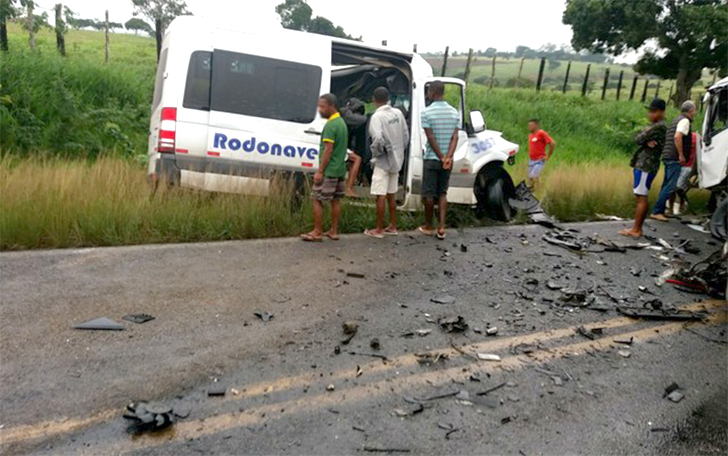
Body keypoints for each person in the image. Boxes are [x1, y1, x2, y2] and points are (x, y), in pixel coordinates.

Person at [300, 94, 348, 242]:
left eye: (322, 106)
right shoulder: (341, 123)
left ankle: (317, 231)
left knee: (316, 198)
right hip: (340, 168)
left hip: (329, 170)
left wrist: (320, 171)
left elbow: (328, 149)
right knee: (335, 200)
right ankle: (333, 231)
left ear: (331, 106)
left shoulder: (330, 126)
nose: (319, 110)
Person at [364, 87, 409, 239]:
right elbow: (405, 136)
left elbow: (377, 139)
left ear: (374, 99)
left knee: (380, 195)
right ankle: (393, 226)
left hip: (383, 161)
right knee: (392, 194)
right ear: (388, 98)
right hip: (397, 160)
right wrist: (399, 152)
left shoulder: (377, 117)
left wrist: (376, 155)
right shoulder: (398, 113)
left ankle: (378, 229)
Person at [619, 98, 667, 238]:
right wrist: (646, 139)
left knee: (641, 197)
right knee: (640, 195)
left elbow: (638, 139)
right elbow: (640, 137)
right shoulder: (658, 126)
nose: (650, 115)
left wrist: (645, 138)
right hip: (645, 164)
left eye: (654, 112)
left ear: (661, 112)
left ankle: (637, 229)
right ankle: (636, 228)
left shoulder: (659, 127)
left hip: (646, 164)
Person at [418, 81, 460, 240]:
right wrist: (448, 157)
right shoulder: (454, 112)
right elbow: (455, 137)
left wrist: (441, 156)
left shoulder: (426, 113)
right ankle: (442, 227)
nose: (427, 94)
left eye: (428, 91)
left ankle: (429, 226)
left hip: (432, 158)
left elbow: (430, 137)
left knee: (428, 194)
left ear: (434, 93)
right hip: (448, 160)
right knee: (442, 193)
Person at [650, 100, 696, 222]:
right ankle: (657, 211)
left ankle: (659, 210)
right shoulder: (685, 121)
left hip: (667, 156)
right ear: (691, 111)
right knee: (670, 186)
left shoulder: (676, 120)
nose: (695, 114)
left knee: (666, 184)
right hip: (674, 157)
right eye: (694, 111)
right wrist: (681, 155)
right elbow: (677, 137)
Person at [671, 132, 697, 215]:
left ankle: (681, 204)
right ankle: (674, 206)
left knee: (678, 186)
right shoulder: (680, 136)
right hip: (680, 164)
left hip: (688, 166)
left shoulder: (695, 137)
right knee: (674, 187)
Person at [527, 118, 556, 188]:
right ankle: (538, 190)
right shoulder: (530, 135)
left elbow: (552, 143)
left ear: (536, 126)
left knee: (532, 176)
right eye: (528, 125)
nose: (529, 127)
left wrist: (548, 156)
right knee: (532, 180)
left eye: (531, 125)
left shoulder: (541, 133)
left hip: (539, 160)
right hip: (531, 161)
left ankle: (539, 188)